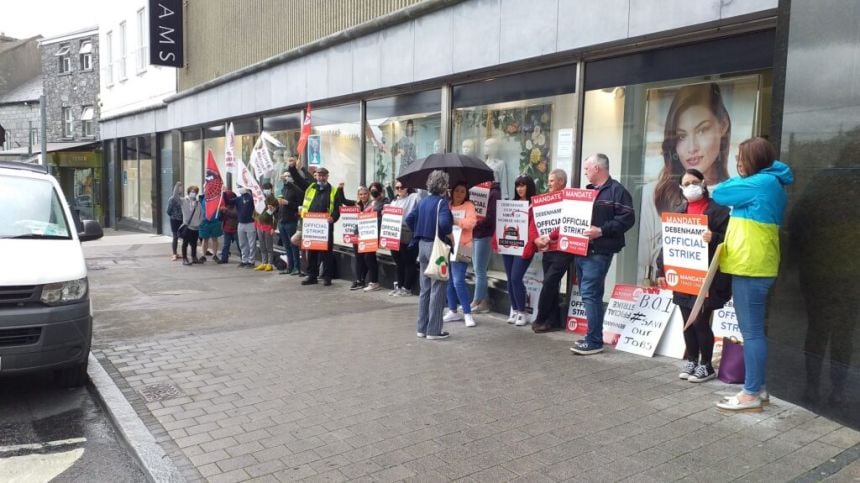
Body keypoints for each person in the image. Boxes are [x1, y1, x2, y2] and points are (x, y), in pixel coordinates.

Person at [713, 137, 793, 412]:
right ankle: (758, 387)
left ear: (755, 159)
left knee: (752, 333)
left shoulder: (762, 183)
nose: (738, 163)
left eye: (741, 158)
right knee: (754, 331)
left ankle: (751, 393)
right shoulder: (768, 182)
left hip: (751, 266)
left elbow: (720, 192)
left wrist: (743, 178)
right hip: (755, 265)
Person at [639, 83, 732, 284]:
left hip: (713, 287)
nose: (692, 148)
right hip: (672, 290)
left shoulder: (734, 197)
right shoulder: (652, 195)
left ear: (722, 125)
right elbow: (642, 264)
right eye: (681, 136)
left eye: (702, 130)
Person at [657, 168, 731, 382]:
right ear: (680, 188)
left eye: (694, 182)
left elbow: (731, 239)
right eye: (686, 183)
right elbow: (668, 244)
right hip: (682, 275)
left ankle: (706, 364)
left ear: (703, 183)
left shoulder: (719, 211)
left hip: (707, 276)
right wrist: (661, 268)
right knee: (686, 319)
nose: (691, 186)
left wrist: (714, 236)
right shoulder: (679, 211)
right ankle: (691, 359)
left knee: (699, 320)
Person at [569, 154, 636, 355]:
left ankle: (594, 340)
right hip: (580, 249)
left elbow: (627, 219)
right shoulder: (587, 192)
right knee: (589, 292)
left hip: (599, 250)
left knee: (590, 292)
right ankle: (593, 336)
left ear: (597, 168)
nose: (585, 172)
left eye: (587, 168)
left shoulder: (617, 191)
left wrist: (601, 230)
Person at [406, 170, 453, 340]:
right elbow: (445, 224)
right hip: (437, 246)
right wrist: (448, 234)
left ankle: (422, 327)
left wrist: (419, 229)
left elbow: (409, 219)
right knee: (438, 288)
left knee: (425, 288)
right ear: (444, 186)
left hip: (422, 245)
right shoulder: (442, 203)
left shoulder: (424, 202)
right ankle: (434, 330)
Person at [528, 169, 573, 333]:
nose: (548, 184)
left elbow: (570, 221)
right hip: (547, 250)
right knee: (551, 285)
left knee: (548, 283)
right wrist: (536, 239)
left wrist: (549, 236)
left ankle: (541, 318)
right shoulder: (543, 200)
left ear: (561, 181)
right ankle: (552, 321)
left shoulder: (570, 200)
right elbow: (534, 221)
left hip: (563, 249)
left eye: (552, 181)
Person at [291, 165, 341, 286]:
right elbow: (298, 180)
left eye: (323, 175)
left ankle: (327, 277)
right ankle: (311, 276)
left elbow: (337, 210)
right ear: (316, 176)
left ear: (327, 177)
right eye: (319, 175)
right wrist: (292, 168)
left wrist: (333, 218)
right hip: (311, 224)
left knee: (326, 253)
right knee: (311, 251)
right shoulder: (311, 187)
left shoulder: (333, 191)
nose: (321, 177)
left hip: (325, 226)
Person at [444, 181, 478, 327]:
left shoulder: (469, 205)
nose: (459, 194)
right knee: (449, 280)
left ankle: (467, 313)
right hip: (448, 245)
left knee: (458, 280)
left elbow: (471, 223)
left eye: (462, 191)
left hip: (464, 246)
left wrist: (455, 220)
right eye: (457, 191)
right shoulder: (447, 204)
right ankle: (452, 310)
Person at [505, 176, 537, 327]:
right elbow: (502, 223)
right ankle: (515, 309)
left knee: (516, 278)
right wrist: (497, 242)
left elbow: (533, 230)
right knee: (510, 279)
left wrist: (529, 247)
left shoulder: (534, 206)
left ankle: (522, 311)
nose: (520, 189)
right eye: (518, 186)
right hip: (508, 246)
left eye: (523, 186)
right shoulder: (511, 204)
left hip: (524, 248)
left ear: (529, 187)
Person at [470, 179, 501, 315]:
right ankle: (484, 301)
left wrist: (476, 222)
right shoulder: (477, 189)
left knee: (479, 269)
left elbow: (492, 216)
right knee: (478, 269)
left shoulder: (494, 192)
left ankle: (477, 301)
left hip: (484, 234)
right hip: (475, 233)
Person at [388, 182, 423, 296]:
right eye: (397, 187)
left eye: (402, 187)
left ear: (407, 187)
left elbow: (421, 195)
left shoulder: (413, 197)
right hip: (395, 234)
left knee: (409, 260)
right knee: (399, 262)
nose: (399, 189)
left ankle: (407, 287)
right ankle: (400, 285)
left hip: (408, 233)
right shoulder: (394, 201)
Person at [340, 185, 371, 290]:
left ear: (369, 194)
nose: (363, 196)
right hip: (357, 234)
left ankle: (363, 279)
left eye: (365, 194)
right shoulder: (356, 204)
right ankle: (358, 280)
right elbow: (343, 200)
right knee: (358, 257)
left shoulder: (372, 204)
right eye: (361, 194)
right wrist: (340, 189)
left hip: (368, 234)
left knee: (366, 257)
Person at [277, 164, 304, 275]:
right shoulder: (283, 189)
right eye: (284, 176)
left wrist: (288, 203)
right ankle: (290, 266)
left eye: (288, 175)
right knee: (286, 246)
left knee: (293, 245)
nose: (286, 177)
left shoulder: (296, 189)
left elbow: (299, 204)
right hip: (282, 220)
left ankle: (297, 268)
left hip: (291, 221)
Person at [254, 183, 278, 272]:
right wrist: (255, 221)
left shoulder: (274, 200)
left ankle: (270, 263)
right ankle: (264, 262)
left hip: (268, 226)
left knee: (269, 246)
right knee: (262, 245)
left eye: (267, 188)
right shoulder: (260, 199)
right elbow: (255, 211)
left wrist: (273, 228)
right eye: (264, 188)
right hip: (259, 224)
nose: (265, 190)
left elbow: (275, 216)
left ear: (271, 189)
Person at [180, 185, 204, 266]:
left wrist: (199, 222)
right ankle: (184, 258)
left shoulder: (198, 203)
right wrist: (177, 186)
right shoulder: (184, 201)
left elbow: (201, 214)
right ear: (189, 192)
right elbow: (174, 197)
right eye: (191, 191)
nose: (193, 193)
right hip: (187, 226)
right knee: (185, 243)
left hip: (196, 227)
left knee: (194, 243)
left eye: (195, 192)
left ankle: (194, 257)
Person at [234, 186, 257, 268]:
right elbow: (228, 202)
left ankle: (251, 261)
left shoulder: (251, 198)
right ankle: (244, 260)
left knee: (251, 243)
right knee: (242, 243)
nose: (239, 188)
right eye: (239, 187)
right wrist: (223, 193)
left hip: (250, 223)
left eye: (241, 187)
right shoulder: (238, 199)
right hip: (240, 223)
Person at [198, 194, 223, 263]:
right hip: (205, 221)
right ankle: (203, 255)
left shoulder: (217, 196)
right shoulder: (202, 197)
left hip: (215, 220)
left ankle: (215, 255)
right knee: (205, 239)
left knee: (215, 238)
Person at [219, 190, 239, 264]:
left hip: (235, 228)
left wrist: (226, 211)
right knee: (226, 244)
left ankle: (244, 259)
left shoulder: (236, 205)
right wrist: (220, 212)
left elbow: (235, 215)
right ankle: (224, 258)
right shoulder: (224, 205)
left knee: (240, 244)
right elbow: (220, 218)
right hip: (226, 228)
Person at [166, 182, 184, 261]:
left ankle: (180, 253)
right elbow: (168, 211)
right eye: (179, 187)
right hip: (174, 220)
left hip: (182, 220)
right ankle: (174, 253)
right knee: (175, 236)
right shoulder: (172, 199)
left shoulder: (182, 199)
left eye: (181, 187)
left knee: (183, 236)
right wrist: (174, 215)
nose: (181, 189)